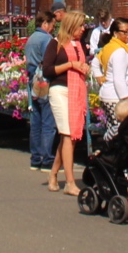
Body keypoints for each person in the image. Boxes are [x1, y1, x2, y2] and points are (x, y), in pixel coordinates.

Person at [42, 10, 90, 194]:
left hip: (76, 89)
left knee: (70, 136)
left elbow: (81, 64)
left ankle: (54, 173)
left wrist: (83, 66)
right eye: (80, 26)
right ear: (71, 26)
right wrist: (70, 65)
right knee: (68, 134)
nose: (83, 29)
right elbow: (47, 69)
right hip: (60, 90)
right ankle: (70, 182)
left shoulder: (80, 45)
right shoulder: (56, 43)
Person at [24, 11, 57, 172]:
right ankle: (47, 158)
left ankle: (35, 158)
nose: (53, 28)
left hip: (32, 79)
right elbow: (49, 62)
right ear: (45, 24)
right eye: (52, 25)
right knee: (48, 121)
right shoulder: (47, 39)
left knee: (35, 121)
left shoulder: (31, 39)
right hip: (43, 80)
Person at [95, 16, 128, 122]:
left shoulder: (111, 47)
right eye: (125, 32)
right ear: (115, 33)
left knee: (118, 131)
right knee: (119, 131)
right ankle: (108, 139)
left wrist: (100, 77)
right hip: (118, 99)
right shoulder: (119, 52)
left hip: (113, 97)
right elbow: (119, 79)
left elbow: (95, 62)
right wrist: (127, 101)